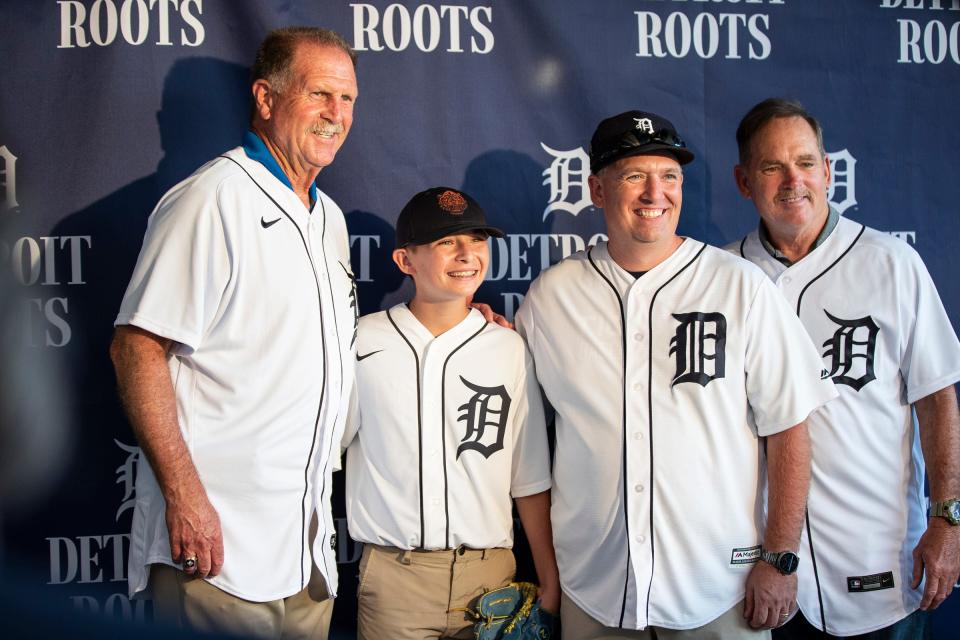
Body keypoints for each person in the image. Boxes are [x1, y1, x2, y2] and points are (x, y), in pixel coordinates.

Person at [514, 110, 838, 639]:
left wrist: (780, 559)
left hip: (718, 591)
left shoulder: (740, 285)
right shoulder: (551, 297)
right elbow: (525, 439)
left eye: (669, 176)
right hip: (595, 589)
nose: (654, 193)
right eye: (633, 176)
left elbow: (790, 429)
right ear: (597, 189)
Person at [109, 27, 359, 639]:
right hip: (219, 547)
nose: (336, 115)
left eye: (348, 99)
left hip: (306, 551)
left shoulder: (328, 217)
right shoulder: (211, 198)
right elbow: (137, 348)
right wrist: (186, 499)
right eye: (320, 94)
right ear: (266, 98)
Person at [730, 98, 960, 639]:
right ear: (744, 181)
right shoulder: (723, 275)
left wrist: (948, 517)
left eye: (806, 162)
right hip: (759, 577)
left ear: (828, 170)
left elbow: (937, 398)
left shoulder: (890, 263)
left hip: (880, 562)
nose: (793, 180)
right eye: (772, 167)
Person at [341, 187, 560, 639]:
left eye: (477, 240)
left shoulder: (509, 347)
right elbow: (321, 454)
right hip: (395, 576)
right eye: (446, 242)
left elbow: (529, 479)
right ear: (405, 261)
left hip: (490, 577)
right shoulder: (360, 340)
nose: (467, 254)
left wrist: (550, 578)